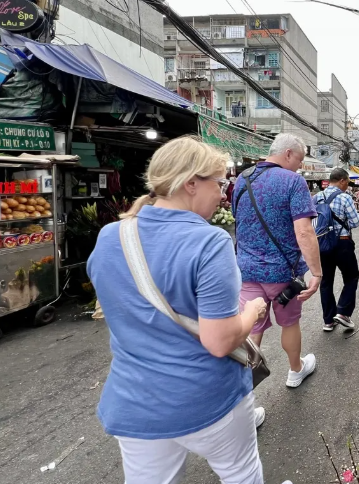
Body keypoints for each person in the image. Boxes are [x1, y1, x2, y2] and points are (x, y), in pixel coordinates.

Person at [87, 137, 281, 484]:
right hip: (205, 398)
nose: (223, 194)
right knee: (241, 473)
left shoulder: (111, 236)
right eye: (219, 183)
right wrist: (252, 311)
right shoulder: (210, 242)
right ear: (191, 183)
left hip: (135, 403)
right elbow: (220, 341)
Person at [233, 134, 322, 389]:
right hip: (283, 273)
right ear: (288, 153)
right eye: (300, 160)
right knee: (290, 323)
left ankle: (245, 388)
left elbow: (239, 220)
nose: (300, 166)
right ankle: (295, 370)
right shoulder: (293, 181)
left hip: (248, 270)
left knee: (252, 325)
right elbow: (304, 232)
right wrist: (316, 272)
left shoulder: (242, 179)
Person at [313, 168, 359, 332]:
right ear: (342, 180)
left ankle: (328, 321)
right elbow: (355, 222)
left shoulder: (317, 197)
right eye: (347, 182)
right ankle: (343, 313)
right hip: (342, 243)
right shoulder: (344, 197)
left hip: (322, 244)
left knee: (326, 282)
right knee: (351, 277)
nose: (347, 185)